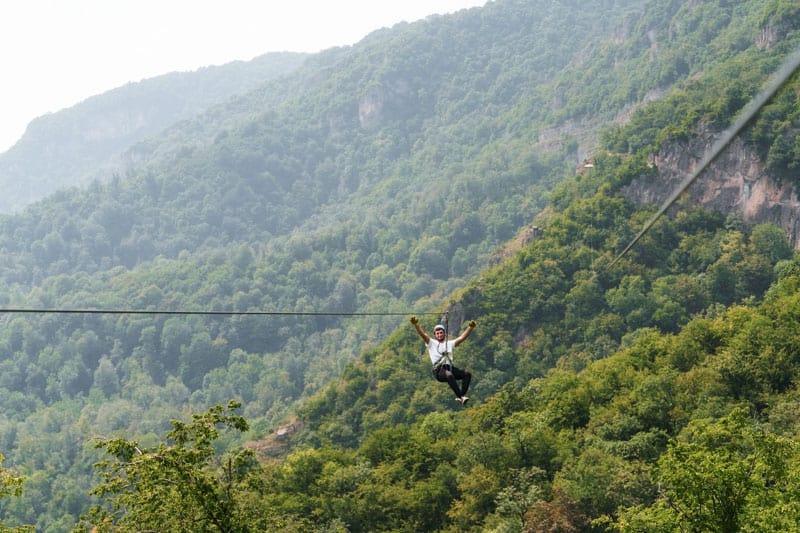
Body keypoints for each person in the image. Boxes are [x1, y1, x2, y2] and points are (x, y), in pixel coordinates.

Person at [410, 316, 476, 405]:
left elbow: (462, 338)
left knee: (467, 374)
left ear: (444, 334)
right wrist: (416, 324)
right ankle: (461, 397)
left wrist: (470, 327)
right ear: (435, 335)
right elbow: (423, 334)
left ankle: (461, 396)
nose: (439, 335)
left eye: (441, 333)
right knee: (449, 375)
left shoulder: (450, 343)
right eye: (437, 333)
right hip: (439, 370)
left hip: (449, 368)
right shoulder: (431, 343)